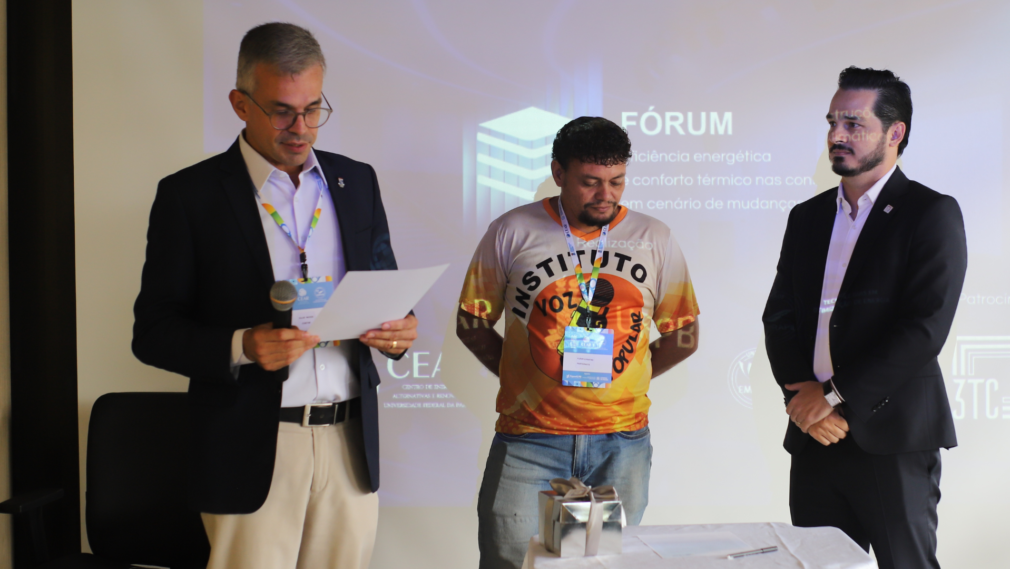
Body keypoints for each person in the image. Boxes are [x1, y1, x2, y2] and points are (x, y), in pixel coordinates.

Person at [132, 22, 416, 569]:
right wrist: (242, 345)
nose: (301, 128)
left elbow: (385, 285)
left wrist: (399, 330)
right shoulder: (190, 195)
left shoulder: (357, 181)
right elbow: (153, 333)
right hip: (251, 445)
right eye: (282, 111)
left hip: (350, 443)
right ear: (240, 104)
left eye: (313, 109)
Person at [457, 116, 700, 569]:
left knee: (604, 564)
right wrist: (529, 376)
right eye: (590, 182)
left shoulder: (653, 238)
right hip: (529, 440)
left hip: (620, 444)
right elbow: (472, 321)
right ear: (558, 173)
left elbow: (683, 334)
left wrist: (623, 376)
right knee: (511, 561)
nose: (606, 194)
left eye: (617, 181)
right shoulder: (512, 230)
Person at [763, 66, 966, 569]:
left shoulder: (930, 212)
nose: (837, 135)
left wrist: (832, 397)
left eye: (853, 124)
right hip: (815, 437)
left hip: (892, 438)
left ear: (895, 133)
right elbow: (779, 317)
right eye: (833, 122)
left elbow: (924, 328)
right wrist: (802, 400)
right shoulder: (806, 216)